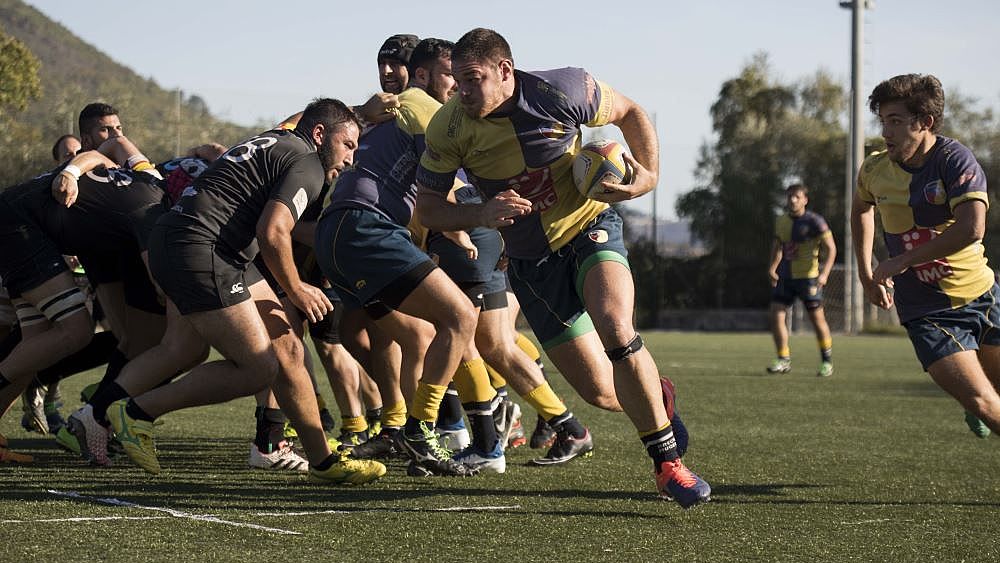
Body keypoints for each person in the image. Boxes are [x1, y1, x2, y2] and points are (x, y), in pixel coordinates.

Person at [414, 28, 709, 507]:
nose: (461, 91)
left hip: (588, 228)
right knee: (601, 392)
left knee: (616, 326)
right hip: (531, 264)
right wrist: (479, 214)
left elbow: (631, 112)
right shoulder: (447, 127)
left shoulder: (564, 89)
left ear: (505, 71)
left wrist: (649, 178)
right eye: (458, 81)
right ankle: (660, 394)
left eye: (473, 79)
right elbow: (428, 208)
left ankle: (668, 466)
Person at [97, 98, 385, 484]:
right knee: (258, 368)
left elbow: (311, 115)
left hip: (199, 243)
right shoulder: (309, 162)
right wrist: (296, 287)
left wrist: (358, 113)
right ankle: (134, 413)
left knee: (288, 346)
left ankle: (322, 461)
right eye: (348, 145)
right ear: (320, 135)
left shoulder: (279, 138)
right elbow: (273, 231)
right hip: (201, 247)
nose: (351, 159)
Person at [851, 73, 1000, 440]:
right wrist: (866, 271)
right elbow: (860, 210)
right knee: (983, 400)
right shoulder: (874, 168)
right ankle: (971, 403)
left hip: (984, 297)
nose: (886, 132)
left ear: (925, 122)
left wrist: (898, 261)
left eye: (896, 121)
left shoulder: (954, 160)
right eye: (883, 121)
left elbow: (971, 229)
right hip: (927, 312)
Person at [765, 184, 836, 377]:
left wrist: (825, 273)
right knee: (776, 315)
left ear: (805, 199)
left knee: (817, 319)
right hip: (786, 277)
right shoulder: (781, 221)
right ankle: (783, 359)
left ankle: (826, 362)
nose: (792, 200)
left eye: (797, 196)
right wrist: (772, 267)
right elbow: (778, 245)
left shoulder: (814, 221)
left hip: (808, 278)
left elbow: (831, 248)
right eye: (789, 196)